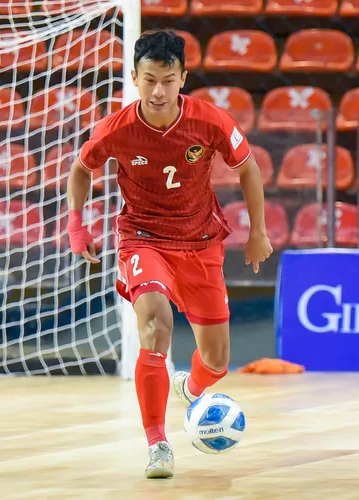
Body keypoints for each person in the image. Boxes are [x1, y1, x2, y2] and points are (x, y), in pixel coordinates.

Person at [67, 30, 272, 478]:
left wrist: (258, 231)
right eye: (149, 80)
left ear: (183, 78)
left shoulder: (211, 122)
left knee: (217, 361)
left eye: (167, 80)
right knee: (156, 325)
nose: (158, 91)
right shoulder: (117, 128)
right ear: (135, 79)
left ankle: (191, 387)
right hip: (143, 237)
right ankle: (158, 443)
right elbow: (81, 169)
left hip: (201, 243)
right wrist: (76, 225)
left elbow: (249, 168)